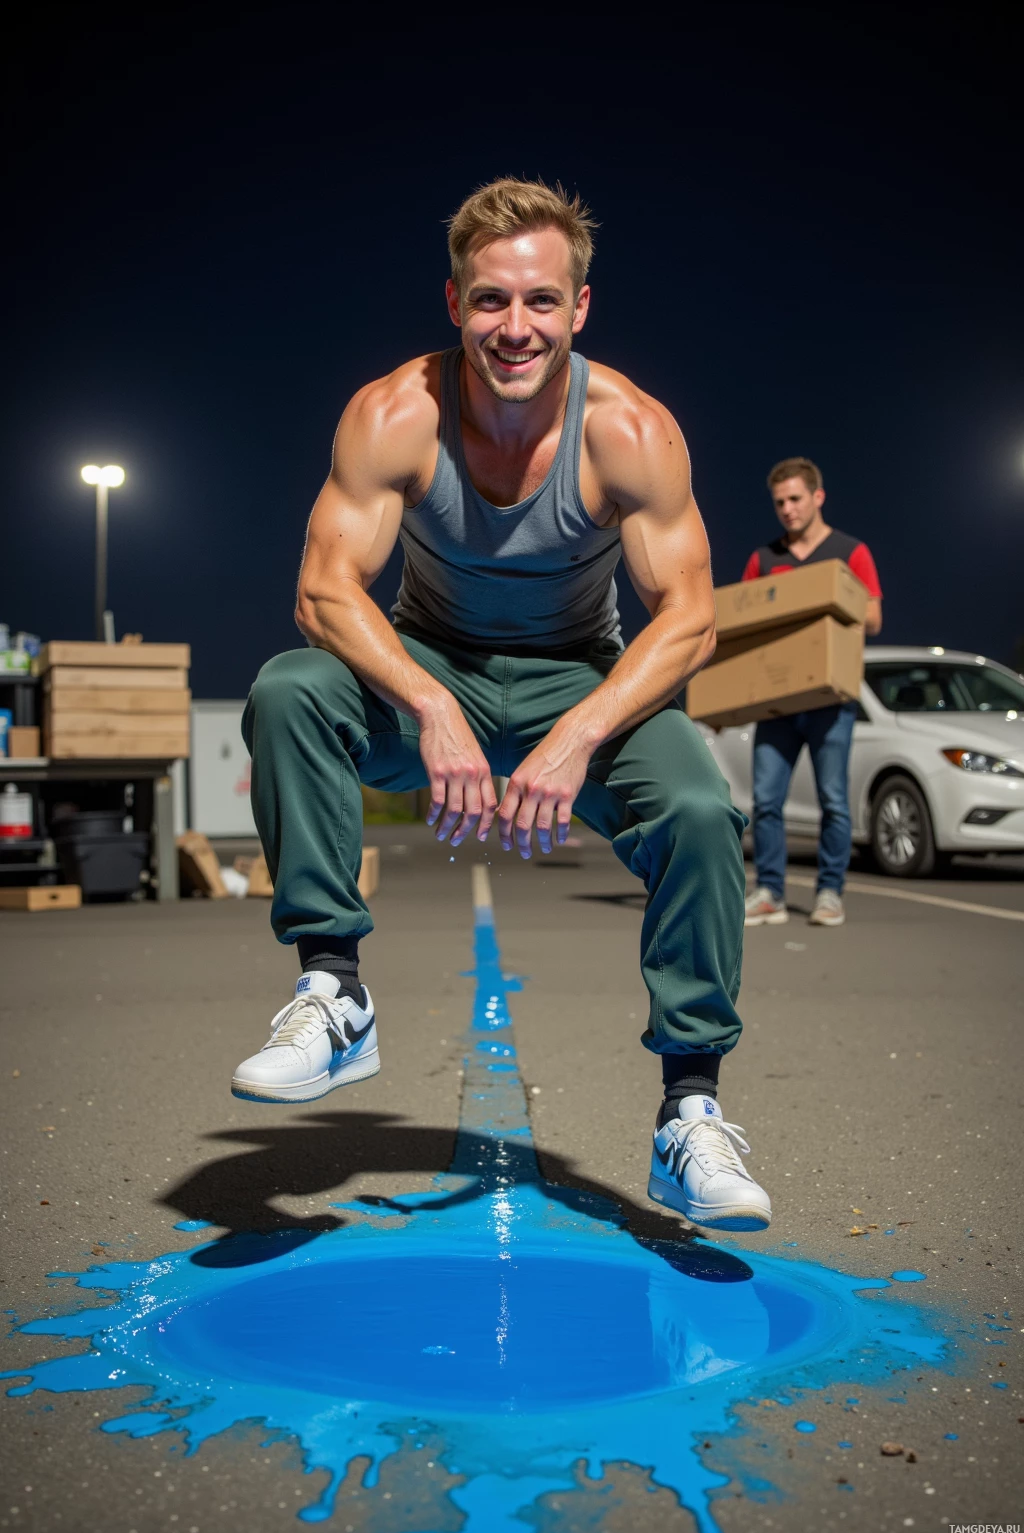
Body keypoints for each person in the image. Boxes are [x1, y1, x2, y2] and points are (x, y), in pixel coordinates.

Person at [232, 178, 771, 1232]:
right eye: (489, 301)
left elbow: (690, 620)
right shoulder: (393, 416)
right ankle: (336, 992)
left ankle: (689, 1110)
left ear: (579, 308)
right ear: (452, 304)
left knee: (701, 808)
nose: (513, 327)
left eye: (538, 301)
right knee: (290, 690)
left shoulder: (632, 433)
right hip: (431, 666)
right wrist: (434, 708)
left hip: (581, 675)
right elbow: (323, 593)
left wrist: (576, 736)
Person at [742, 457, 882, 928]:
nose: (787, 509)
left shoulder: (850, 552)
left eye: (796, 499)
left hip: (829, 701)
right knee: (765, 801)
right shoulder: (764, 559)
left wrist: (822, 599)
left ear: (818, 497)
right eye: (780, 502)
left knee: (834, 802)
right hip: (779, 702)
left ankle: (829, 894)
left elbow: (874, 617)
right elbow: (744, 618)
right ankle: (770, 894)